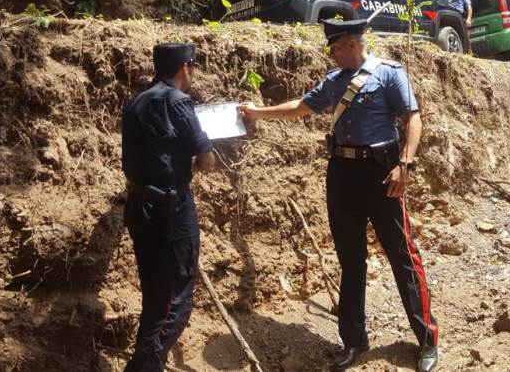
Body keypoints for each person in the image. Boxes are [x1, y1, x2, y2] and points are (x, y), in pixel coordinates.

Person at [238, 18, 439, 372]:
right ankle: (353, 341)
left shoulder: (390, 74)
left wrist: (404, 164)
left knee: (403, 254)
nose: (330, 54)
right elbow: (300, 107)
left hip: (383, 172)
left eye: (334, 47)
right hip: (342, 175)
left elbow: (413, 118)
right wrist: (257, 112)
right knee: (350, 260)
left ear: (350, 43)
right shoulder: (333, 82)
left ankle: (427, 340)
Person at [121, 42, 216, 372]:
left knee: (154, 298)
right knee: (174, 304)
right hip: (170, 213)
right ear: (184, 67)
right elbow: (207, 159)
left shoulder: (137, 100)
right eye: (193, 67)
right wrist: (194, 163)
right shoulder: (179, 102)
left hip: (139, 208)